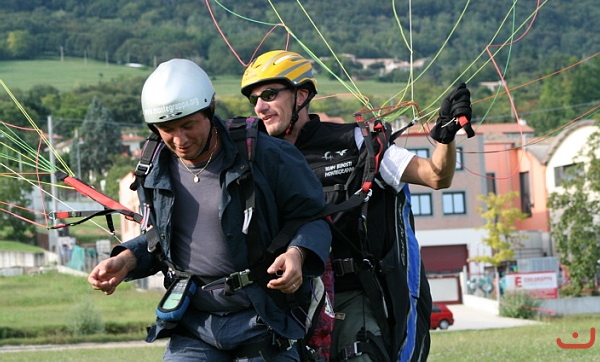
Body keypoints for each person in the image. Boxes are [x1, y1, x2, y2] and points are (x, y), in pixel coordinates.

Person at [88, 58, 332, 362]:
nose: (180, 140)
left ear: (211, 110)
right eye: (167, 129)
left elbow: (312, 219)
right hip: (195, 325)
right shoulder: (155, 167)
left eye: (189, 125)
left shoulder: (267, 155)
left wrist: (298, 253)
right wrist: (127, 259)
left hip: (263, 321)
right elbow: (163, 238)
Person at [240, 50, 473, 362]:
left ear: (301, 95)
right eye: (254, 99)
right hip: (287, 301)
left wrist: (445, 135)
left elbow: (435, 176)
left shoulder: (355, 142)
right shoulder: (255, 157)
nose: (260, 107)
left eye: (269, 95)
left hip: (352, 295)